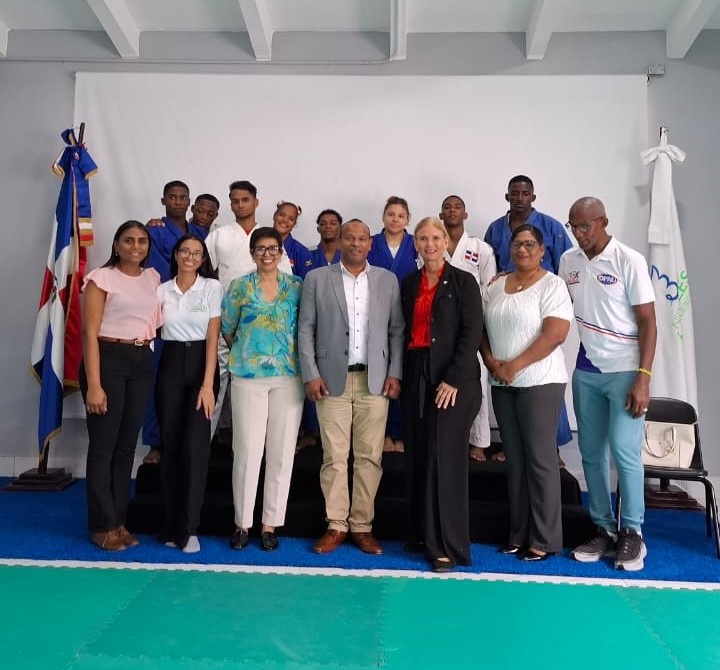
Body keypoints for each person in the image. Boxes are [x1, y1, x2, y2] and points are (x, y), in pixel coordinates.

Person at [559, 197, 656, 572]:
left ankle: (632, 532)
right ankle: (603, 528)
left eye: (584, 226)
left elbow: (648, 322)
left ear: (603, 222)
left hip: (626, 370)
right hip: (586, 371)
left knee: (624, 451)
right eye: (573, 226)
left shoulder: (628, 260)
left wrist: (643, 378)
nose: (578, 233)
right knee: (590, 453)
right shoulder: (568, 261)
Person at [298, 220, 404, 556]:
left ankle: (361, 526)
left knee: (370, 457)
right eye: (350, 238)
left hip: (375, 380)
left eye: (362, 239)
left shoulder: (386, 280)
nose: (356, 244)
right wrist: (310, 374)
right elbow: (305, 329)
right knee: (334, 456)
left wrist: (395, 373)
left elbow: (396, 330)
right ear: (340, 241)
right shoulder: (317, 278)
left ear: (370, 244)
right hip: (331, 380)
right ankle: (336, 525)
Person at [481, 225, 573, 561]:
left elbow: (555, 334)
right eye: (517, 244)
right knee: (515, 461)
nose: (523, 249)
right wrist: (491, 362)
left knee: (540, 460)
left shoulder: (553, 285)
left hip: (540, 382)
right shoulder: (495, 286)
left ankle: (544, 539)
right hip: (502, 383)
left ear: (542, 250)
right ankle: (519, 534)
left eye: (530, 244)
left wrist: (514, 366)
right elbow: (480, 329)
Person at [401, 217, 483, 573]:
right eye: (423, 238)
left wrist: (452, 380)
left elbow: (472, 334)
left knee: (443, 459)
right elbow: (403, 330)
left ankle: (447, 545)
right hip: (416, 375)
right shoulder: (409, 282)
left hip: (454, 380)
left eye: (436, 237)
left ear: (447, 242)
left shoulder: (464, 282)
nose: (430, 244)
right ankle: (421, 534)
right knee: (419, 455)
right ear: (416, 243)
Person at [80, 221, 162, 551]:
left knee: (127, 446)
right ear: (116, 244)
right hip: (107, 358)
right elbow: (89, 333)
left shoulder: (152, 277)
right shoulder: (101, 278)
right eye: (128, 240)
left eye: (142, 241)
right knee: (104, 446)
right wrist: (94, 384)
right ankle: (101, 525)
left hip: (140, 360)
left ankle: (118, 519)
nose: (135, 246)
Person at [222, 227, 305, 551]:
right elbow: (228, 329)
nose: (267, 254)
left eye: (273, 248)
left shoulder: (296, 286)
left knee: (281, 453)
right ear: (252, 253)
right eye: (261, 249)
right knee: (247, 450)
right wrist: (251, 352)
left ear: (281, 253)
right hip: (248, 375)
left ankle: (270, 524)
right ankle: (242, 523)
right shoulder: (239, 287)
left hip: (288, 376)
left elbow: (304, 328)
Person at [485, 175, 574, 462]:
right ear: (507, 196)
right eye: (515, 193)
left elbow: (568, 264)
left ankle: (551, 448)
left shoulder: (552, 227)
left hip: (539, 308)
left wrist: (554, 299)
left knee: (542, 381)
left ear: (533, 197)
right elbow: (490, 265)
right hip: (506, 306)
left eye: (525, 193)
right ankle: (511, 446)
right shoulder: (495, 228)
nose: (520, 198)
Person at [155, 234, 222, 553]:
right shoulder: (161, 290)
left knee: (195, 448)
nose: (190, 257)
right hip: (169, 365)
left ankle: (190, 528)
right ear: (176, 254)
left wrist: (207, 385)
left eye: (197, 253)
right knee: (170, 446)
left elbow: (212, 337)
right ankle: (171, 524)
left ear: (203, 259)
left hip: (201, 368)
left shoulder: (211, 288)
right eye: (185, 251)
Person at [142, 180, 208, 465]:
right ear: (163, 200)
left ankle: (187, 441)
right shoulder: (154, 230)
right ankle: (156, 442)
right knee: (158, 380)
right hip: (167, 308)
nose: (178, 201)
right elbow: (159, 270)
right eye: (172, 197)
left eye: (182, 197)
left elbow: (206, 268)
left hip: (196, 313)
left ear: (189, 202)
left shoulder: (199, 232)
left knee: (196, 384)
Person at [439, 195, 497, 462]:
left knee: (477, 383)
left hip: (472, 324)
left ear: (465, 214)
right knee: (442, 382)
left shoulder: (480, 248)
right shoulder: (434, 243)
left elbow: (489, 287)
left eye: (457, 207)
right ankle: (446, 439)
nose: (452, 211)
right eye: (447, 208)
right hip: (441, 325)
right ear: (441, 215)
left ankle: (479, 442)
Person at [204, 180, 261, 438]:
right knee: (215, 383)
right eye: (235, 201)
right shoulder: (219, 235)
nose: (240, 205)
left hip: (260, 324)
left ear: (255, 202)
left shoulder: (267, 236)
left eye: (245, 200)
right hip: (225, 318)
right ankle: (202, 445)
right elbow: (203, 275)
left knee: (254, 391)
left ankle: (253, 449)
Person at [367, 196, 417, 452]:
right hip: (375, 315)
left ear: (407, 219)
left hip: (410, 315)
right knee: (379, 375)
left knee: (404, 374)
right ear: (383, 216)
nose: (395, 219)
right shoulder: (370, 243)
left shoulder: (416, 243)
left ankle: (402, 433)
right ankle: (384, 433)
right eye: (391, 214)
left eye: (400, 215)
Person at [272, 200, 314, 279]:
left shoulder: (302, 252)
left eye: (291, 219)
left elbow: (307, 283)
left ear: (294, 224)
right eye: (281, 215)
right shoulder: (257, 242)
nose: (285, 220)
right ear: (274, 216)